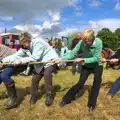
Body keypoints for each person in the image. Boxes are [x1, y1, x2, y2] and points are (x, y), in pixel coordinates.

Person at [1, 32, 59, 106]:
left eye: (26, 42)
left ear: (29, 39)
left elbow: (35, 57)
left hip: (50, 60)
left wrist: (21, 60)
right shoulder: (24, 48)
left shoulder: (38, 42)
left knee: (47, 74)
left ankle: (49, 95)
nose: (25, 45)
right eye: (23, 43)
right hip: (40, 64)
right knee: (35, 79)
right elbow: (15, 56)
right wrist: (2, 61)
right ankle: (34, 96)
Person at [57, 29, 103, 112]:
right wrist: (61, 59)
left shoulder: (99, 42)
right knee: (80, 83)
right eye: (84, 41)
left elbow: (96, 58)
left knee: (96, 84)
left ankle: (92, 104)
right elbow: (72, 53)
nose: (85, 43)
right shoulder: (82, 42)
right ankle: (66, 99)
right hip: (87, 65)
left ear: (92, 39)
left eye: (87, 42)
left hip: (97, 65)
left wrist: (83, 59)